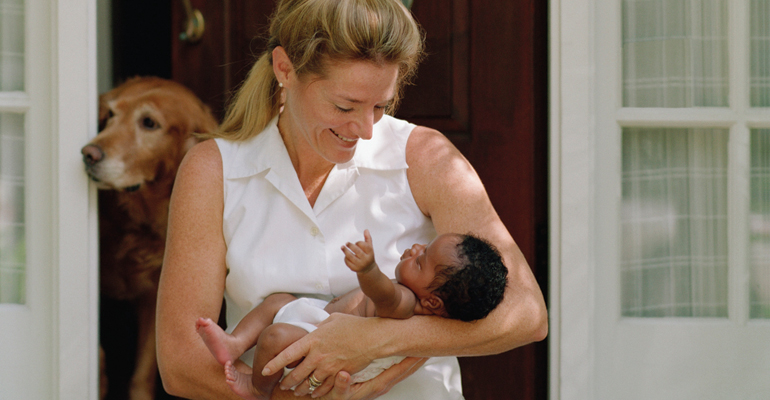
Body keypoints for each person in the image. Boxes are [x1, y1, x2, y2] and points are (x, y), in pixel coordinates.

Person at [156, 0, 548, 399]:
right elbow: (181, 362)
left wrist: (373, 342)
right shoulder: (213, 170)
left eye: (380, 106)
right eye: (345, 106)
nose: (364, 129)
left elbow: (526, 314)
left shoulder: (426, 158)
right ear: (284, 69)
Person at [195, 230, 508, 400]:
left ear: (433, 305)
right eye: (423, 246)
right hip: (319, 318)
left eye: (421, 260)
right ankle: (234, 343)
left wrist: (368, 270)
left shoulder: (405, 304)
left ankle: (258, 390)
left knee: (275, 337)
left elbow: (382, 293)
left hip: (321, 341)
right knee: (278, 301)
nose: (415, 248)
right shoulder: (418, 297)